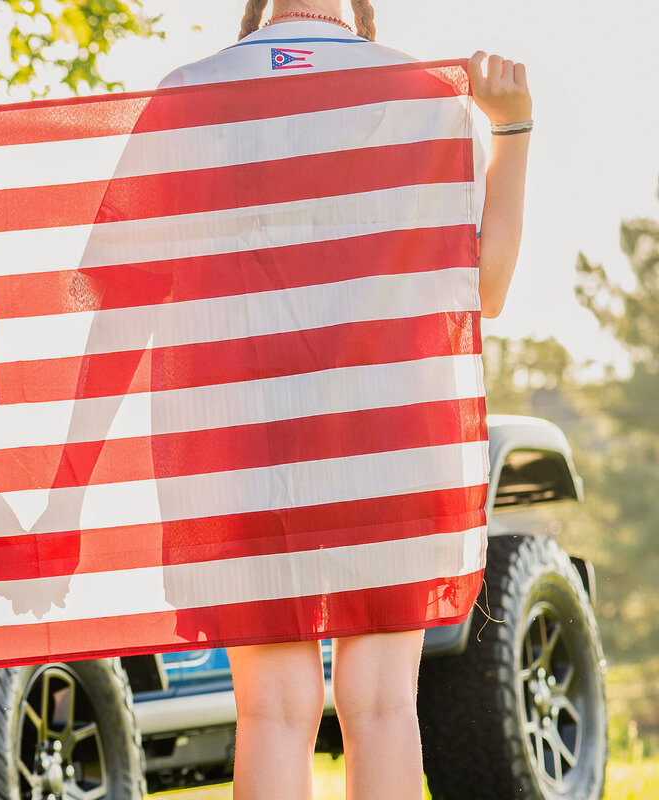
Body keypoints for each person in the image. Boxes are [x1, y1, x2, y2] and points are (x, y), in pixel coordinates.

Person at [158, 2, 532, 799]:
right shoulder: (426, 94)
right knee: (384, 705)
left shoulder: (186, 95)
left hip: (244, 446)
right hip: (394, 436)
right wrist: (514, 130)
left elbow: (113, 291)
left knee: (271, 712)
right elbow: (487, 291)